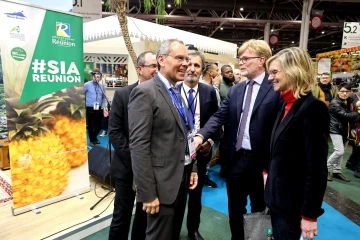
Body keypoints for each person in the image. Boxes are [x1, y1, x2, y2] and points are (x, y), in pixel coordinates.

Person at [194, 39, 281, 240]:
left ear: (261, 60)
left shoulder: (275, 88)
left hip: (263, 163)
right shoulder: (236, 90)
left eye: (245, 58)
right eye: (239, 58)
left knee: (260, 208)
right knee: (235, 208)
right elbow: (219, 117)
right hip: (236, 159)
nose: (240, 63)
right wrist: (201, 135)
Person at [128, 39, 198, 240]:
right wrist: (147, 193)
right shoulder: (145, 92)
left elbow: (186, 134)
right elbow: (139, 146)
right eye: (179, 58)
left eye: (187, 58)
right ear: (161, 59)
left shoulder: (177, 92)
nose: (185, 63)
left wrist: (192, 167)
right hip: (159, 186)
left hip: (180, 179)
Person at [264, 47, 329, 240]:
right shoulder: (285, 104)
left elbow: (316, 169)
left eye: (275, 72)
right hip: (277, 200)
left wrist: (310, 215)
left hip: (291, 207)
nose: (270, 78)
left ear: (294, 70)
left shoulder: (313, 109)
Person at [108, 51, 157, 240]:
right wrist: (137, 160)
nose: (156, 70)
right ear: (139, 69)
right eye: (152, 66)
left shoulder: (162, 95)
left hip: (152, 171)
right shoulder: (123, 94)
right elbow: (115, 132)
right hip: (126, 167)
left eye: (158, 66)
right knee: (122, 215)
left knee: (144, 216)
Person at [177, 52, 218, 240]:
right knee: (176, 197)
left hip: (200, 155)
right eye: (189, 64)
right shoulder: (172, 90)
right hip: (176, 156)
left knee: (196, 196)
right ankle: (173, 231)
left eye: (197, 65)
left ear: (202, 70)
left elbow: (217, 122)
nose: (192, 68)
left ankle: (193, 230)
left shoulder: (210, 92)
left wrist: (209, 142)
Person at [327, 82, 360, 182]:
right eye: (342, 91)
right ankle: (326, 168)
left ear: (350, 92)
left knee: (342, 153)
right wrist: (357, 112)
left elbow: (352, 114)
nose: (344, 93)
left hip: (346, 130)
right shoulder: (335, 103)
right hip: (335, 129)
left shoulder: (349, 101)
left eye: (347, 91)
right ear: (338, 92)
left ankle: (337, 171)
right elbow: (346, 116)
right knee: (339, 151)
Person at [84, 68, 106, 146]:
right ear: (93, 76)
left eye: (99, 76)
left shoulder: (102, 86)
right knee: (91, 125)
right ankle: (92, 140)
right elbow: (81, 94)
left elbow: (103, 97)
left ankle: (94, 137)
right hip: (90, 108)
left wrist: (103, 106)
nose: (97, 77)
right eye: (96, 76)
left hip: (99, 108)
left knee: (100, 124)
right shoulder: (87, 85)